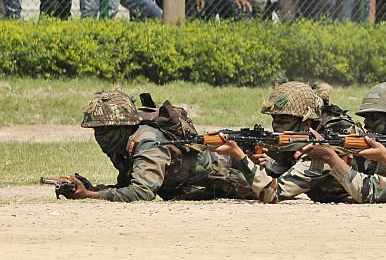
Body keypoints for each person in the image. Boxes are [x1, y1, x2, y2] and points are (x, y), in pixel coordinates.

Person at [57, 90, 256, 202]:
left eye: (104, 130)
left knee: (276, 190)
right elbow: (129, 186)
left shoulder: (147, 142)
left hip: (235, 177)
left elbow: (142, 193)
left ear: (123, 127)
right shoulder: (124, 142)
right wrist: (92, 188)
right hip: (194, 187)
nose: (99, 137)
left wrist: (90, 195)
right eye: (97, 131)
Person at [212, 81, 354, 204]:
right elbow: (283, 168)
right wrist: (255, 162)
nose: (276, 126)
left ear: (306, 124)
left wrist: (238, 156)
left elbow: (271, 194)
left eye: (285, 120)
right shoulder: (295, 145)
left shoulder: (322, 151)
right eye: (275, 119)